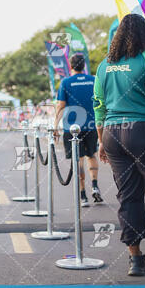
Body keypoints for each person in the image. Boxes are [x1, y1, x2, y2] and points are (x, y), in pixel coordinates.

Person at [94, 13, 145, 276]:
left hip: (114, 134)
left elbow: (99, 106)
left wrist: (101, 141)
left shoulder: (105, 66)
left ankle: (135, 259)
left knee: (128, 196)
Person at [53, 53, 103, 207]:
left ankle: (83, 195)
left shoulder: (66, 82)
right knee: (92, 155)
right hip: (92, 125)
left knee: (78, 159)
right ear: (84, 65)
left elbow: (61, 106)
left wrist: (55, 126)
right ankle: (95, 185)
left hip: (72, 127)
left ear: (71, 66)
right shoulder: (94, 80)